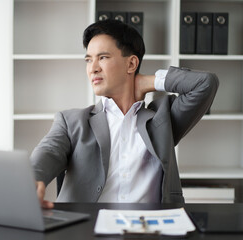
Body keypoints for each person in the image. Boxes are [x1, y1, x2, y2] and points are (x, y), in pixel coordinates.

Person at [30, 19, 219, 209]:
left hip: (150, 229)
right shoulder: (72, 121)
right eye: (89, 59)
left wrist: (149, 82)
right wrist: (33, 178)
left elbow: (205, 84)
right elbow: (49, 150)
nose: (93, 68)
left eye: (102, 57)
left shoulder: (162, 119)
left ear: (131, 64)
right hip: (87, 228)